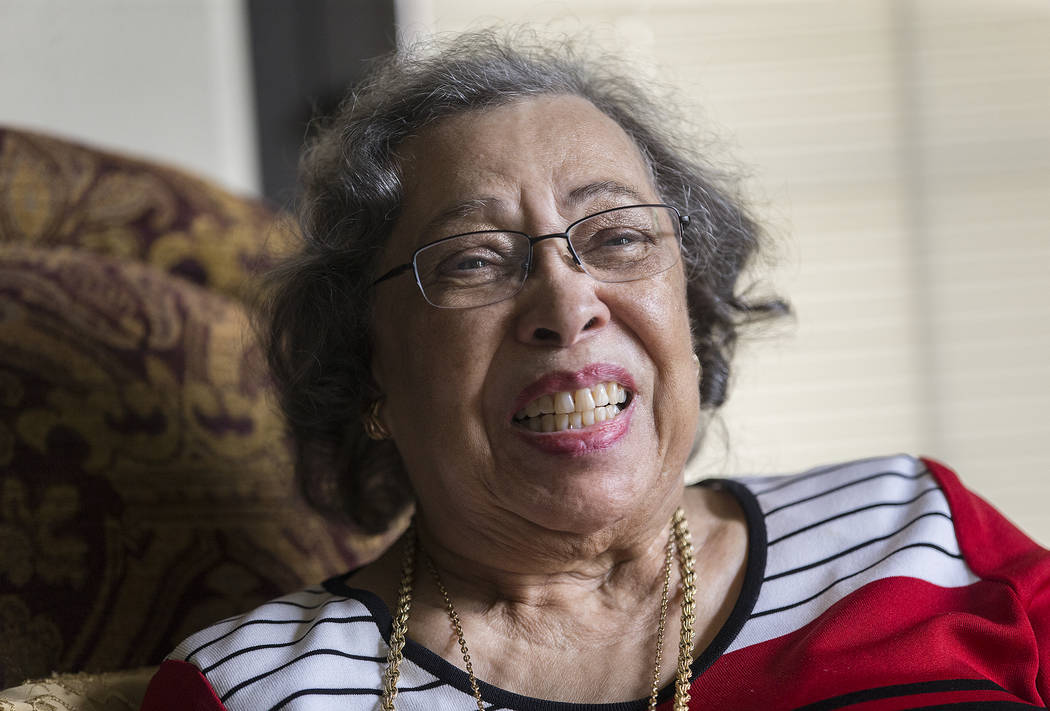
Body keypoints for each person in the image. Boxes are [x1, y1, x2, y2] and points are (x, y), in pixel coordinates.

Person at [140, 32, 1050, 711]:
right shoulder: (262, 688)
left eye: (617, 237)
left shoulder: (914, 527)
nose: (567, 304)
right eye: (473, 260)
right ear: (368, 365)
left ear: (690, 309)